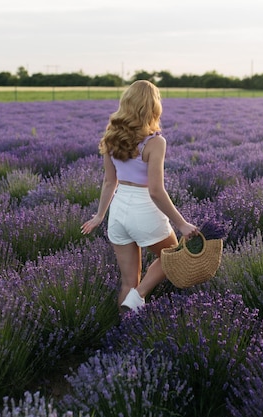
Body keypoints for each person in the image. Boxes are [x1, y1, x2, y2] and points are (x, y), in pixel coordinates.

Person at [81, 80, 198, 313]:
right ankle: (139, 296)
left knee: (128, 281)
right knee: (174, 256)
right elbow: (156, 190)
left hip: (118, 213)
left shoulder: (111, 137)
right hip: (143, 209)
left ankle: (121, 335)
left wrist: (99, 215)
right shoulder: (155, 142)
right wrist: (182, 223)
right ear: (153, 107)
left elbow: (109, 181)